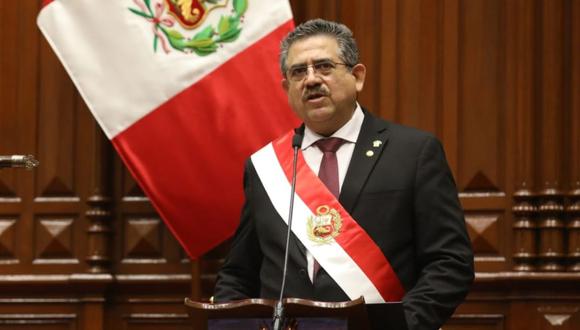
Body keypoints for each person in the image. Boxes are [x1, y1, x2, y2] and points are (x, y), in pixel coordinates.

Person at [214, 18, 474, 330]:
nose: (311, 80)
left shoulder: (413, 153)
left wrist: (401, 325)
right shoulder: (264, 166)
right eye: (298, 71)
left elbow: (450, 263)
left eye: (324, 66)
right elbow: (238, 272)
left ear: (357, 76)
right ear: (287, 88)